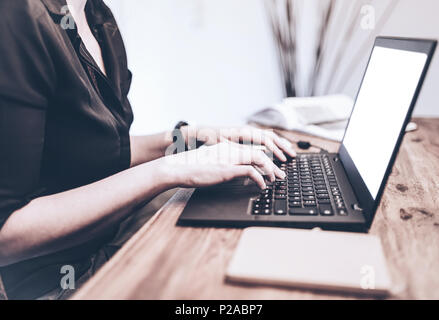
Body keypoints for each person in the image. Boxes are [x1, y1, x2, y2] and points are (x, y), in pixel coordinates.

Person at [0, 0, 296, 299]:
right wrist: (169, 170)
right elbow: (5, 237)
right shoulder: (18, 16)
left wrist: (187, 140)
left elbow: (97, 150)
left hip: (113, 233)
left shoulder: (96, 16)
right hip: (57, 283)